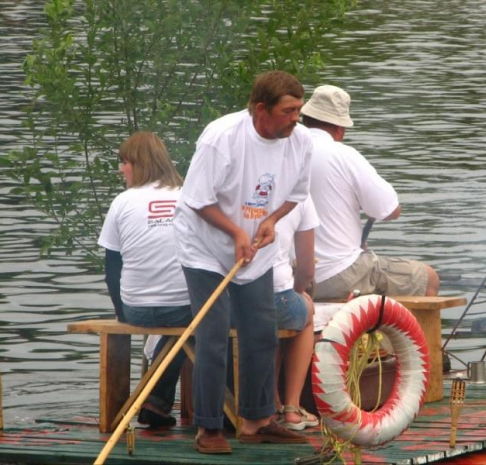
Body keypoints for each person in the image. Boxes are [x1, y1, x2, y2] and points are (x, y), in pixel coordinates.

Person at [173, 70, 312, 454]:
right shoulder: (223, 137)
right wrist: (235, 233)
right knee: (214, 335)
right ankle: (209, 427)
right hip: (204, 247)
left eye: (299, 109)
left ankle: (256, 420)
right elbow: (197, 199)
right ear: (261, 109)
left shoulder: (300, 141)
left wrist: (270, 220)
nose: (296, 118)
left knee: (261, 332)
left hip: (255, 246)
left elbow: (296, 194)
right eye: (288, 110)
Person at [300, 85, 440, 300]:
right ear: (340, 129)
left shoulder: (284, 149)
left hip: (290, 275)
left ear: (305, 118)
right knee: (428, 278)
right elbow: (391, 210)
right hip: (335, 274)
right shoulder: (343, 154)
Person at [98, 131, 192, 428]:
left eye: (124, 162)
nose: (120, 169)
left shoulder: (122, 202)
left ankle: (157, 403)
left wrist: (122, 311)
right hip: (182, 308)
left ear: (139, 164)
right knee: (209, 316)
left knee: (182, 324)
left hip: (136, 308)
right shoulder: (187, 197)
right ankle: (215, 409)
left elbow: (112, 267)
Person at [273, 196, 319, 430]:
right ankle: (291, 407)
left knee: (276, 318)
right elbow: (307, 270)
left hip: (229, 301)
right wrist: (299, 292)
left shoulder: (236, 184)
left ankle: (272, 402)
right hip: (276, 298)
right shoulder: (299, 196)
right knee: (305, 311)